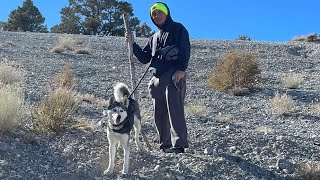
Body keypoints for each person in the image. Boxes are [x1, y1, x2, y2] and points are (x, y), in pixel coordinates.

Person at [126, 2, 190, 153]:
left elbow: (185, 48)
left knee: (175, 108)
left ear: (166, 13)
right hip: (157, 78)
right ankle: (165, 144)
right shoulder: (153, 37)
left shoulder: (178, 28)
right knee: (159, 111)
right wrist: (133, 44)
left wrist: (181, 69)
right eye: (154, 14)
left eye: (160, 12)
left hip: (174, 73)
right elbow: (144, 58)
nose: (157, 16)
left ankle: (179, 145)